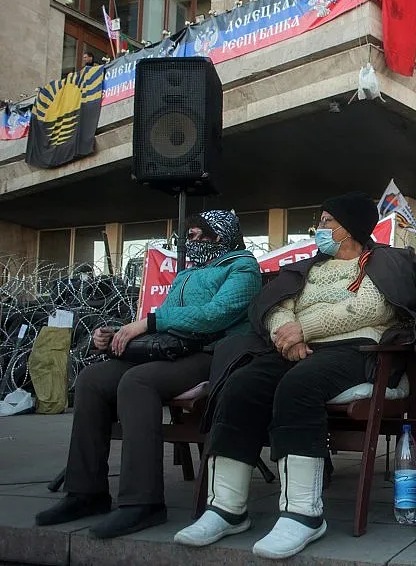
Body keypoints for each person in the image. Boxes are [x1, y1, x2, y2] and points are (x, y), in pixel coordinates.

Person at [173, 192, 416, 559]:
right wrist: (287, 332)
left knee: (297, 386)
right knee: (242, 385)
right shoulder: (311, 266)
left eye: (329, 221)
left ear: (352, 228)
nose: (321, 229)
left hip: (358, 350)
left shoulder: (383, 261)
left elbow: (370, 307)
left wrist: (305, 328)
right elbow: (277, 305)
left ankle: (304, 515)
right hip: (296, 346)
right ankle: (226, 508)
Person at [35, 210, 262, 538]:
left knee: (137, 382)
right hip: (170, 349)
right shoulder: (187, 273)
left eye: (200, 236)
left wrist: (149, 323)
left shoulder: (243, 266)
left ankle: (143, 503)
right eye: (190, 237)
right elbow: (166, 318)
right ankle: (86, 493)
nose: (192, 243)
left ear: (221, 237)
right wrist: (117, 333)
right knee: (92, 380)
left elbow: (216, 315)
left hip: (210, 352)